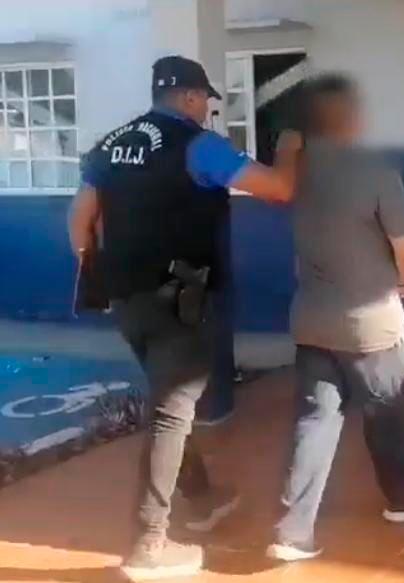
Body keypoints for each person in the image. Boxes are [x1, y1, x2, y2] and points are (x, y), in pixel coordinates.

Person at [68, 55, 303, 582]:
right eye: (206, 102)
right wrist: (289, 148)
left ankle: (202, 496)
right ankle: (149, 542)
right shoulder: (199, 145)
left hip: (127, 299)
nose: (206, 111)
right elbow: (279, 189)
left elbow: (80, 219)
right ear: (192, 97)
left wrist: (96, 271)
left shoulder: (112, 145)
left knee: (169, 400)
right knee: (171, 412)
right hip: (182, 298)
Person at [267, 74, 404, 562]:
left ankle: (293, 531)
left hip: (312, 318)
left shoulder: (295, 169)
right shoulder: (375, 169)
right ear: (350, 117)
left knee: (315, 420)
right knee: (384, 409)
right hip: (369, 322)